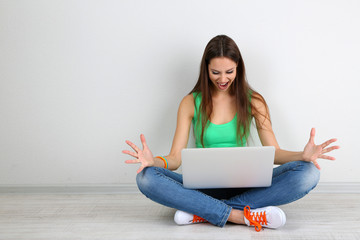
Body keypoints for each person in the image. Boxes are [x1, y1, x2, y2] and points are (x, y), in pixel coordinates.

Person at [122, 35, 339, 231]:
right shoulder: (190, 102)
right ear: (205, 69)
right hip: (204, 188)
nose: (223, 79)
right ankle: (240, 215)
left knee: (309, 172)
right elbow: (176, 159)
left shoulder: (254, 101)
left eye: (229, 72)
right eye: (215, 72)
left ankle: (203, 212)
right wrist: (154, 162)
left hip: (246, 185)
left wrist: (302, 155)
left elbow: (274, 153)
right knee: (146, 177)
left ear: (239, 68)